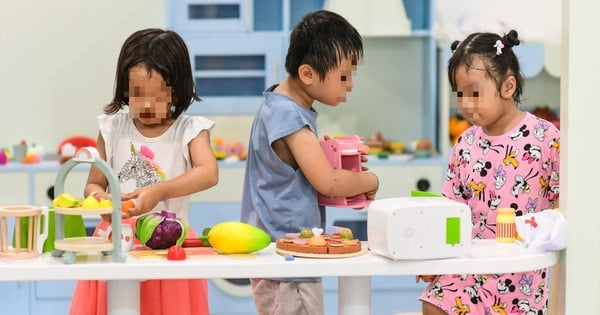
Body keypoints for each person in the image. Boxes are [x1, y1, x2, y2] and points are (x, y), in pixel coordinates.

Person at [69, 28, 218, 315]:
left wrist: (158, 191)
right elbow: (93, 185)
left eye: (158, 95)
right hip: (115, 243)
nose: (147, 105)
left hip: (168, 245)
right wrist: (101, 200)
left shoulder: (190, 130)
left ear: (177, 90)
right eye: (138, 94)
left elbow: (209, 172)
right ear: (125, 89)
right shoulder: (112, 128)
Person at [240, 10, 379, 315]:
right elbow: (327, 182)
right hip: (288, 262)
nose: (350, 84)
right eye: (344, 76)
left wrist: (341, 170)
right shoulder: (289, 115)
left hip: (284, 259)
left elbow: (303, 178)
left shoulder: (279, 106)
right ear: (307, 74)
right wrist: (369, 182)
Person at [418, 30, 560, 315]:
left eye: (474, 93)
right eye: (460, 94)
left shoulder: (545, 137)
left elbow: (561, 207)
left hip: (521, 275)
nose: (465, 104)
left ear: (507, 87)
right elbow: (450, 210)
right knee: (433, 304)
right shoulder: (465, 144)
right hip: (469, 267)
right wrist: (434, 260)